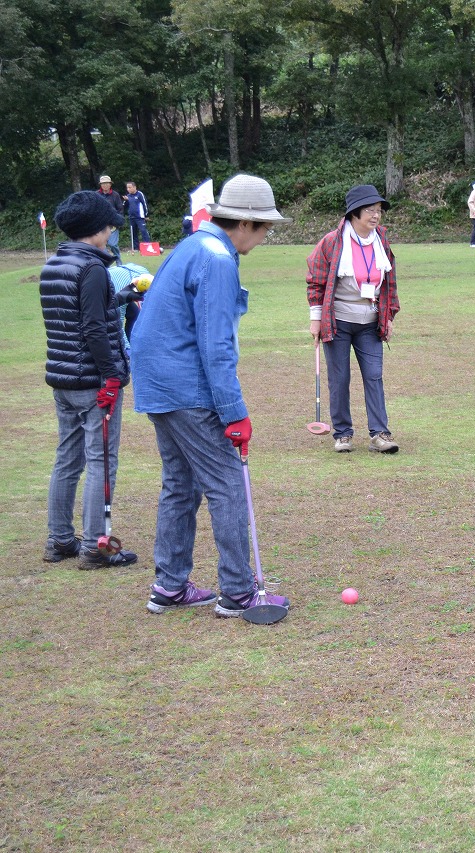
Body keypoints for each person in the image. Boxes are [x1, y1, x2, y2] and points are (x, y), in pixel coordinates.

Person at [130, 174, 292, 617]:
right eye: (265, 228)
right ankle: (238, 591)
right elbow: (215, 345)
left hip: (158, 384)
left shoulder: (191, 245)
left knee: (180, 484)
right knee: (227, 485)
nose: (264, 237)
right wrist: (234, 411)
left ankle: (169, 585)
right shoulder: (217, 258)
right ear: (245, 223)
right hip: (187, 388)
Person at [39, 190, 144, 569]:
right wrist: (113, 376)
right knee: (101, 461)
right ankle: (94, 547)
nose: (111, 232)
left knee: (67, 459)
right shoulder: (93, 268)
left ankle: (59, 540)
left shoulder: (54, 264)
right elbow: (94, 329)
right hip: (94, 382)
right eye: (109, 227)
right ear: (98, 229)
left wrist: (122, 296)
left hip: (63, 379)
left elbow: (81, 311)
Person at [307, 185, 401, 455]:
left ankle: (379, 434)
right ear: (354, 213)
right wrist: (316, 318)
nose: (376, 215)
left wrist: (388, 316)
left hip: (370, 321)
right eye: (370, 210)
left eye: (379, 210)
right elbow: (315, 280)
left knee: (374, 375)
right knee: (339, 378)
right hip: (338, 320)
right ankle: (343, 434)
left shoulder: (381, 240)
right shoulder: (332, 242)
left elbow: (390, 283)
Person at [96, 175, 124, 259]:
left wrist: (118, 220)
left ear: (110, 184)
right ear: (100, 185)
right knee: (101, 245)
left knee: (113, 244)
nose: (105, 185)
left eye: (106, 183)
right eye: (103, 183)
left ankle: (118, 259)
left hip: (113, 225)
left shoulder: (115, 195)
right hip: (100, 225)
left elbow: (120, 209)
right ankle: (105, 261)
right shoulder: (96, 194)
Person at [124, 181, 152, 250]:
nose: (128, 189)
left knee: (143, 231)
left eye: (130, 187)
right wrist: (126, 200)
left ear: (134, 187)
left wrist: (146, 215)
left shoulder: (139, 194)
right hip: (131, 218)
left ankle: (148, 247)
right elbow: (124, 206)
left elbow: (145, 204)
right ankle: (136, 248)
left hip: (140, 217)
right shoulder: (128, 196)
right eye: (127, 188)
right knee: (133, 233)